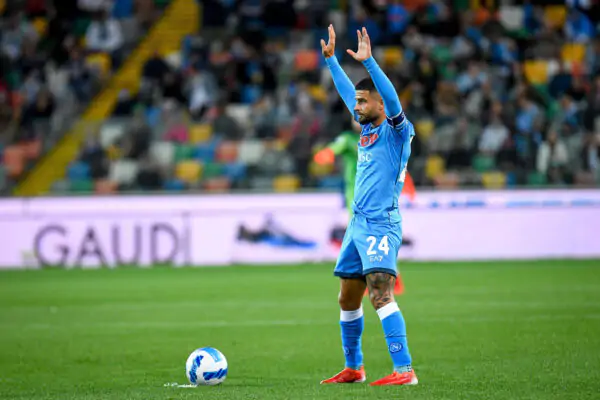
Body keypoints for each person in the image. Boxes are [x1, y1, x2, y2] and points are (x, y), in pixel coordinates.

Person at [319, 25, 417, 386]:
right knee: (347, 298)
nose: (356, 106)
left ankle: (404, 370)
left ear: (379, 105)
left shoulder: (396, 131)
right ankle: (355, 368)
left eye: (363, 102)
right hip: (357, 224)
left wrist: (370, 63)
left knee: (379, 292)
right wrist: (332, 61)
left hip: (380, 224)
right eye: (357, 102)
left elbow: (391, 99)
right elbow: (349, 94)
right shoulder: (366, 130)